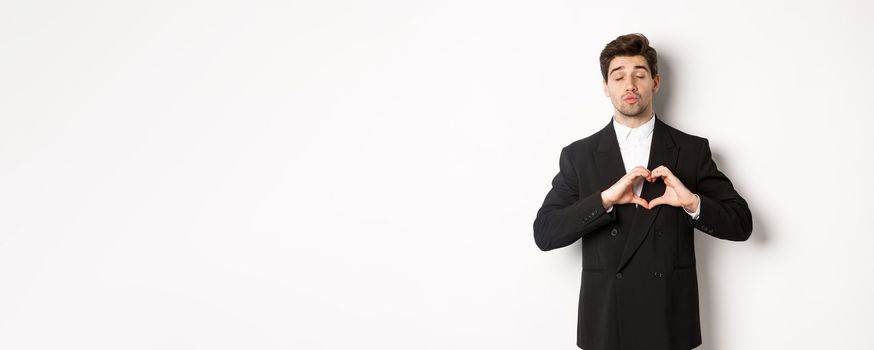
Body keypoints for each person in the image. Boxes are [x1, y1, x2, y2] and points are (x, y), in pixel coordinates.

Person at [532, 33, 753, 350]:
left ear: (656, 82)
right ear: (605, 87)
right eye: (618, 76)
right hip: (608, 324)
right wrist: (604, 200)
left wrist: (692, 203)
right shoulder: (578, 156)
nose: (629, 85)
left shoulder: (690, 150)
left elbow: (741, 223)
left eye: (639, 74)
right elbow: (545, 233)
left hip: (669, 320)